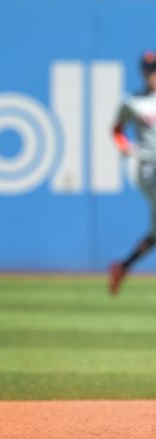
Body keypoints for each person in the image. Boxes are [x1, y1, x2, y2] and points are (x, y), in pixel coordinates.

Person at [109, 51, 156, 295]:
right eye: (149, 69)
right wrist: (124, 146)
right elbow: (116, 129)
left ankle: (123, 267)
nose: (153, 74)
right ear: (143, 72)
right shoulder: (133, 101)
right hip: (148, 168)